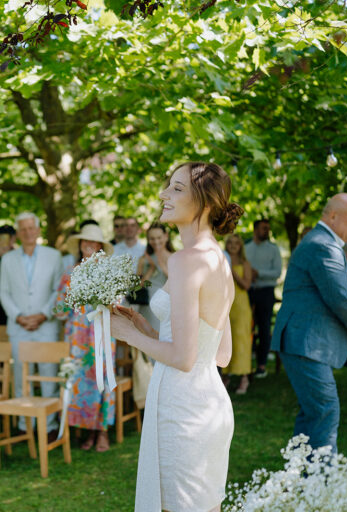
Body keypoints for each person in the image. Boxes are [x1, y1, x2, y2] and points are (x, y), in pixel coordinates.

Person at [111, 161, 241, 511]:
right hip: (208, 403)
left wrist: (128, 335)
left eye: (177, 188)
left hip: (182, 410)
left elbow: (184, 359)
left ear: (207, 203)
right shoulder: (217, 258)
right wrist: (146, 328)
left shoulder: (187, 260)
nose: (163, 194)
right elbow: (219, 353)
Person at [272, 193, 347, 452]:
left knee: (312, 414)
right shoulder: (322, 245)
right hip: (306, 342)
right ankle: (324, 486)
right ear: (333, 216)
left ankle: (301, 481)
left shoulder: (323, 242)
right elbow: (342, 300)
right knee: (326, 412)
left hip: (304, 341)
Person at [0, 212, 62, 435]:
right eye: (23, 229)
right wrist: (18, 316)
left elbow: (58, 289)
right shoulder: (7, 259)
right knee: (20, 375)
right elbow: (4, 292)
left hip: (46, 325)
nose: (27, 233)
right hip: (19, 326)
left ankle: (50, 425)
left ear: (37, 230)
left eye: (31, 228)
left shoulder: (54, 256)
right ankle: (24, 425)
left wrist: (44, 314)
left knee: (48, 374)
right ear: (18, 233)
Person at [54, 224, 116, 452]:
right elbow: (59, 309)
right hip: (77, 336)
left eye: (93, 242)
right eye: (84, 241)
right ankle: (85, 431)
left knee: (103, 379)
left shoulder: (109, 273)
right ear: (80, 245)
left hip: (101, 333)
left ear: (100, 246)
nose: (88, 245)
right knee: (80, 383)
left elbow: (117, 306)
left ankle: (102, 433)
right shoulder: (70, 272)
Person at [244, 219, 282, 378]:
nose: (267, 231)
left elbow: (277, 273)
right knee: (245, 328)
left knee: (265, 329)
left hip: (266, 292)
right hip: (247, 291)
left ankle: (261, 366)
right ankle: (244, 366)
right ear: (255, 230)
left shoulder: (274, 250)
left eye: (268, 228)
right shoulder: (245, 248)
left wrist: (258, 273)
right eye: (263, 228)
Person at [222, 234, 253, 395]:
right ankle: (225, 376)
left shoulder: (244, 263)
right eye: (230, 242)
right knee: (225, 340)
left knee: (241, 341)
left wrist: (233, 273)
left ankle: (244, 377)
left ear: (241, 246)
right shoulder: (220, 261)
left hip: (240, 306)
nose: (233, 245)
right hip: (225, 306)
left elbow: (246, 285)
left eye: (236, 243)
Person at [137, 223, 174, 333]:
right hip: (147, 306)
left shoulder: (175, 258)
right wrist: (152, 268)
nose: (156, 242)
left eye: (159, 238)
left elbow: (179, 284)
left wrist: (162, 266)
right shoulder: (143, 259)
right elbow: (138, 287)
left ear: (166, 236)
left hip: (168, 306)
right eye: (152, 238)